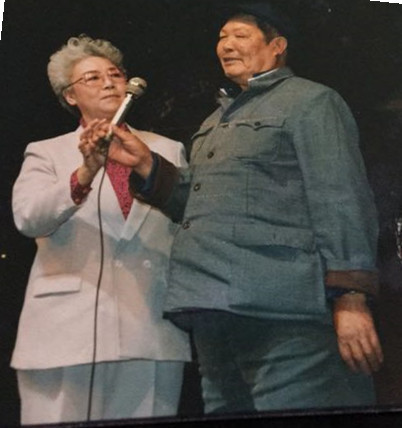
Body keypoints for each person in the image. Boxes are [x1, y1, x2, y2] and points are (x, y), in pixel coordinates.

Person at [101, 2, 384, 414]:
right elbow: (198, 207)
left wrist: (351, 296)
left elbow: (341, 198)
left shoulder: (311, 101)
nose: (226, 44)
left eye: (240, 35)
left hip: (285, 315)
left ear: (277, 46)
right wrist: (146, 163)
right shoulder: (213, 123)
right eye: (221, 37)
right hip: (212, 313)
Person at [11, 35, 190, 424]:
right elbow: (28, 218)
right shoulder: (47, 152)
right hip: (64, 332)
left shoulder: (166, 149)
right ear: (70, 95)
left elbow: (187, 222)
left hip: (150, 329)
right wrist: (84, 173)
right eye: (92, 78)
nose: (109, 83)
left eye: (115, 74)